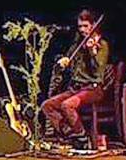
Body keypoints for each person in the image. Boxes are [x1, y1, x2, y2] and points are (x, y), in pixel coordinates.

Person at [42, 9, 110, 141]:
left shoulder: (102, 45)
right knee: (47, 105)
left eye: (86, 26)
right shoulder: (78, 43)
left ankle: (81, 135)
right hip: (76, 89)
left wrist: (92, 52)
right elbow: (69, 57)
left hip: (92, 89)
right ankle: (69, 132)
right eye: (80, 26)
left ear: (93, 24)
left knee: (67, 105)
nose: (82, 30)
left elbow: (98, 69)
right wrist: (64, 61)